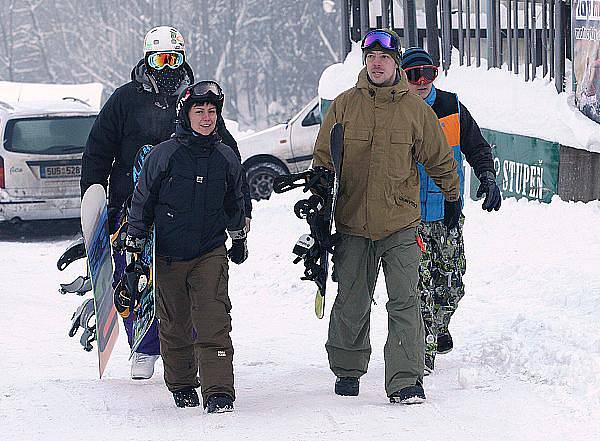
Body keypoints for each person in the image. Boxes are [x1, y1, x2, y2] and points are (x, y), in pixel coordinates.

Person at [80, 26, 252, 380]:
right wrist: (93, 194)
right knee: (135, 280)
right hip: (133, 209)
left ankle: (184, 349)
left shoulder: (193, 102)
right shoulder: (125, 99)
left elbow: (228, 156)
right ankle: (142, 349)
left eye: (173, 58)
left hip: (186, 211)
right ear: (146, 61)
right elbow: (97, 150)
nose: (167, 67)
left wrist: (241, 211)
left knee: (183, 283)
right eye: (159, 59)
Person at [312, 29, 461, 404]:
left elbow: (439, 158)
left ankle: (405, 380)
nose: (377, 63)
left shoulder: (415, 110)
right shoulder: (344, 105)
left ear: (395, 63)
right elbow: (324, 159)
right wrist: (319, 197)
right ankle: (347, 369)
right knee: (352, 299)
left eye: (384, 58)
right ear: (365, 61)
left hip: (400, 223)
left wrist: (453, 198)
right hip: (352, 223)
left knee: (405, 301)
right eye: (371, 57)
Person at [125, 80, 247, 413]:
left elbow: (236, 202)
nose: (207, 118)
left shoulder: (225, 157)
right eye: (199, 111)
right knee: (175, 323)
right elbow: (142, 201)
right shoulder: (164, 155)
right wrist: (135, 240)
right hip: (167, 254)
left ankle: (219, 390)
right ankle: (181, 383)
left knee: (214, 320)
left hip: (209, 251)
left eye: (212, 111)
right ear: (186, 114)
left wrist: (238, 238)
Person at [400, 47, 502, 374]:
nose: (420, 81)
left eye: (426, 73)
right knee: (421, 288)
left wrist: (486, 177)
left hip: (447, 210)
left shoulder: (452, 107)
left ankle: (441, 324)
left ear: (436, 73)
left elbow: (476, 147)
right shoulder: (395, 111)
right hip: (410, 216)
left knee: (452, 285)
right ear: (402, 77)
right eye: (412, 75)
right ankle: (422, 352)